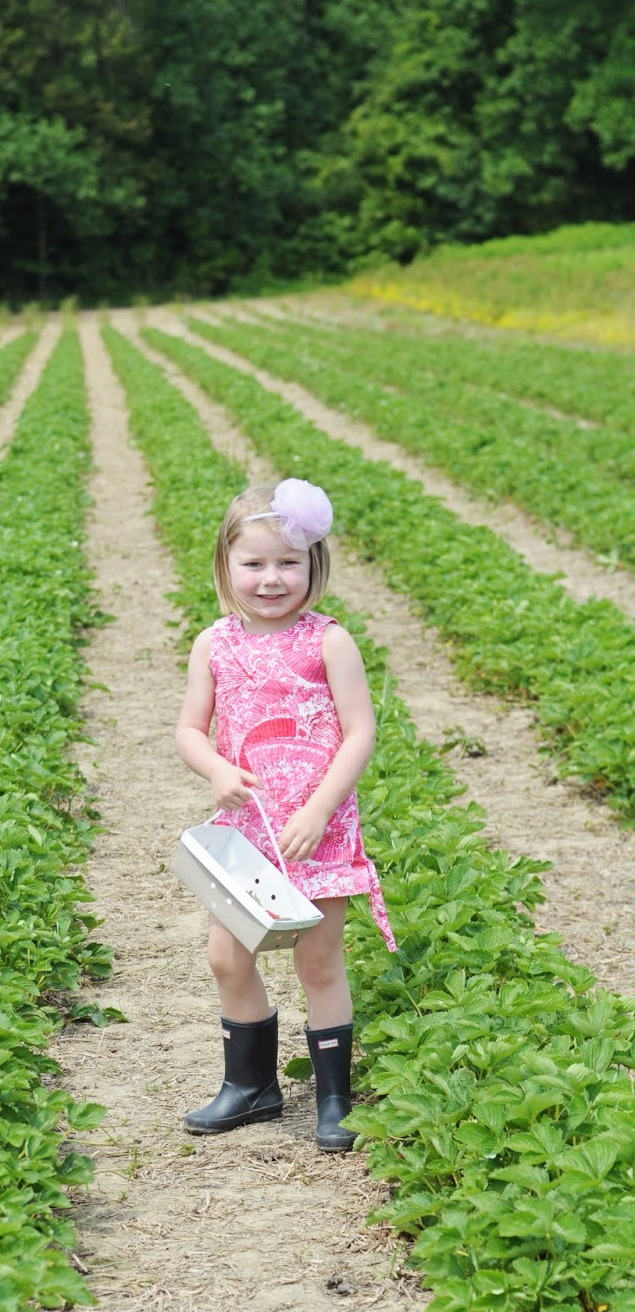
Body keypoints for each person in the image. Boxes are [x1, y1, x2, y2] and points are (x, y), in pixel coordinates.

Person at [175, 478, 396, 1152]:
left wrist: (321, 808)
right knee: (226, 957)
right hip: (247, 832)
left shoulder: (328, 642)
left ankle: (334, 1099)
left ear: (313, 566)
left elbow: (359, 731)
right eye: (254, 564)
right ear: (226, 567)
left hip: (317, 832)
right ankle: (251, 1086)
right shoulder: (215, 644)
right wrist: (216, 768)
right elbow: (188, 729)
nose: (271, 579)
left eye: (287, 563)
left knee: (319, 961)